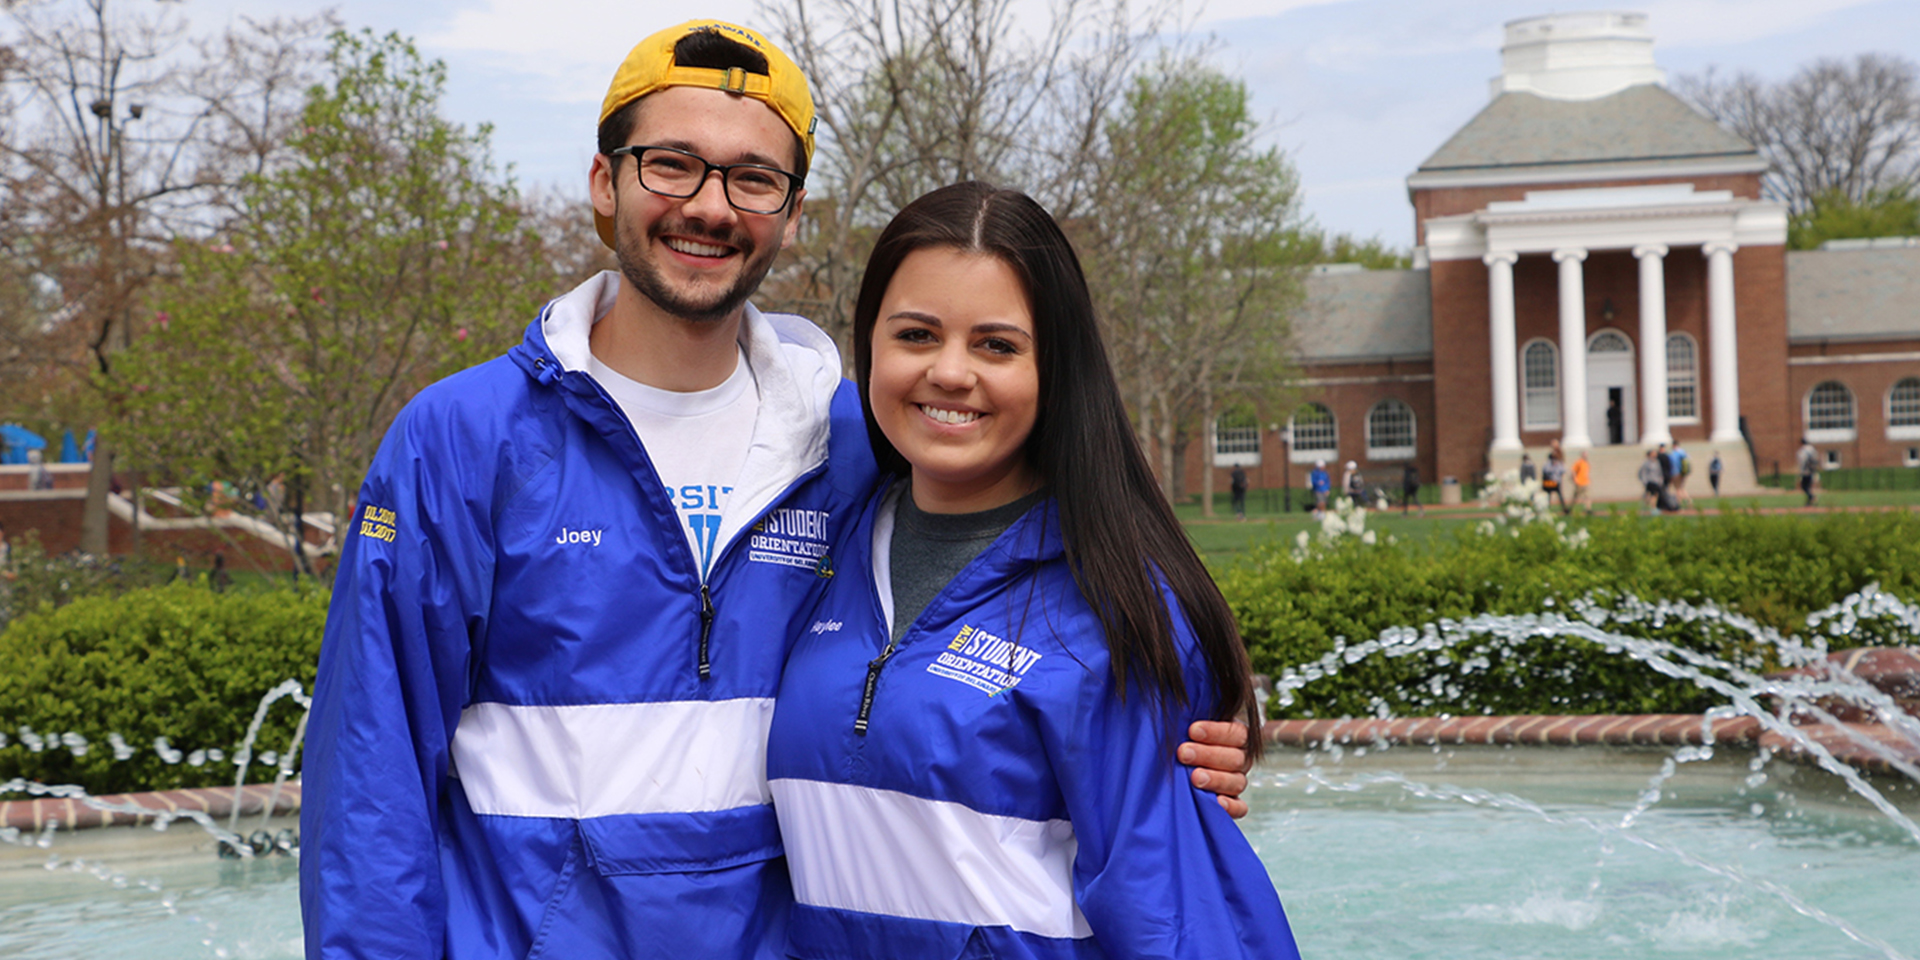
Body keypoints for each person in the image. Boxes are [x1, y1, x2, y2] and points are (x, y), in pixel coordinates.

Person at [299, 22, 1248, 960]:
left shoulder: (850, 441)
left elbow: (1036, 582)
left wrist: (1198, 714)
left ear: (794, 214)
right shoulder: (461, 439)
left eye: (754, 178)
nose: (710, 207)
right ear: (605, 184)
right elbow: (368, 785)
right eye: (671, 163)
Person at [766, 182, 1299, 959]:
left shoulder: (1117, 611)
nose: (950, 373)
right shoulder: (809, 542)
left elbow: (1176, 919)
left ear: (1056, 369)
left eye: (997, 345)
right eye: (916, 334)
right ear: (868, 345)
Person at [1639, 448, 1664, 515]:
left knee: (1653, 494)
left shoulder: (1657, 462)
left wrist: (1660, 480)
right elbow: (1642, 472)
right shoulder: (1646, 463)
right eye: (1653, 453)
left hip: (1656, 481)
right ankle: (1653, 508)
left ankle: (1649, 507)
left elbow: (1660, 472)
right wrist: (1645, 481)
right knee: (1653, 494)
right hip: (1650, 481)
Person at [1568, 449, 1592, 515]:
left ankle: (1588, 509)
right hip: (1579, 482)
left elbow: (1587, 473)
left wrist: (1589, 481)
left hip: (1586, 482)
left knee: (1587, 496)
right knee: (1576, 496)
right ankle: (1571, 508)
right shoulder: (1579, 462)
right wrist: (1575, 479)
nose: (1586, 455)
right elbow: (1573, 470)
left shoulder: (1586, 463)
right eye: (1585, 454)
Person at [1798, 437, 1820, 507]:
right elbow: (1816, 458)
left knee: (1804, 486)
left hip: (1806, 470)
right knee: (1808, 486)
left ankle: (1812, 497)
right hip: (1812, 470)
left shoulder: (1803, 450)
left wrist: (1801, 470)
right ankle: (1809, 502)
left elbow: (1803, 460)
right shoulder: (1812, 449)